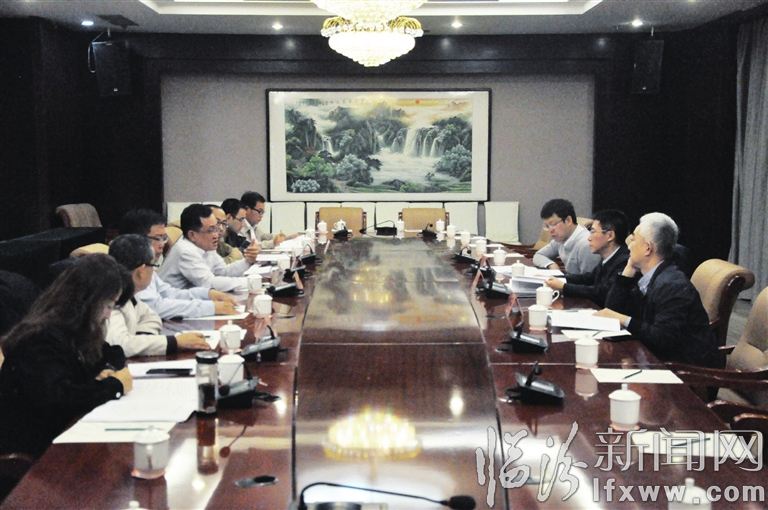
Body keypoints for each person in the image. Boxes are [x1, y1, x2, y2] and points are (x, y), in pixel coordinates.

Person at [0, 254, 133, 459]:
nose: (108, 315)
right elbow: (60, 399)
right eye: (108, 305)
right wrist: (114, 386)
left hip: (63, 434)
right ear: (88, 301)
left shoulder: (77, 330)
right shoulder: (40, 339)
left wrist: (108, 369)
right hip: (33, 453)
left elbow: (112, 352)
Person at [596, 212, 718, 367]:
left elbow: (663, 338)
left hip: (686, 372)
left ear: (648, 248)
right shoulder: (648, 275)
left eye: (634, 239)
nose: (629, 245)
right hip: (654, 359)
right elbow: (611, 311)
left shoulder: (672, 285)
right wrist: (626, 274)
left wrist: (624, 319)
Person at [120, 209, 238, 319]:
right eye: (158, 238)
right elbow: (155, 307)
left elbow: (169, 293)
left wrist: (207, 294)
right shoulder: (128, 268)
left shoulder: (145, 263)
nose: (162, 245)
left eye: (164, 238)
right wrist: (209, 307)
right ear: (137, 239)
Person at [107, 234, 210, 357]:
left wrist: (144, 342)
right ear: (140, 272)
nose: (153, 272)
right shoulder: (110, 299)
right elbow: (120, 345)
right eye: (153, 266)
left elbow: (152, 317)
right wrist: (174, 342)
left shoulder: (130, 294)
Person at [159, 204, 259, 292]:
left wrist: (248, 261)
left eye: (216, 228)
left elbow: (223, 272)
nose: (216, 235)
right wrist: (250, 282)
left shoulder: (206, 246)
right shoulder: (185, 251)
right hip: (174, 304)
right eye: (211, 231)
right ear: (192, 235)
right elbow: (209, 284)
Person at [544, 209, 630, 307]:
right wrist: (556, 279)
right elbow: (587, 278)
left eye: (593, 231)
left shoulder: (624, 262)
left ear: (610, 235)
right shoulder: (608, 257)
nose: (589, 238)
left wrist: (564, 287)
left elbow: (602, 293)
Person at [533, 198, 601, 275]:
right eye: (547, 226)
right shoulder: (560, 239)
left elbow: (589, 281)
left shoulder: (586, 244)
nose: (550, 230)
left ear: (568, 220)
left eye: (553, 224)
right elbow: (538, 255)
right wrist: (551, 265)